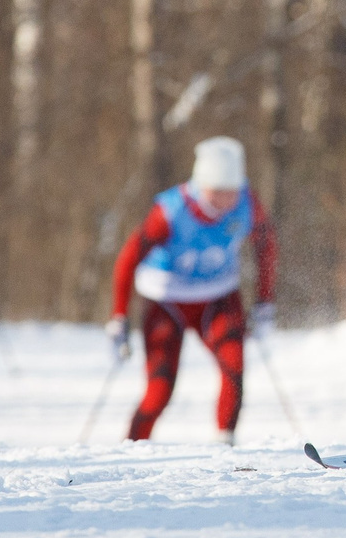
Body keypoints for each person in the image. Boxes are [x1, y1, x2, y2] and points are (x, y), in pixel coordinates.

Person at [106, 136, 278, 444]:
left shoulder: (247, 203)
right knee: (159, 390)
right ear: (200, 185)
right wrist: (119, 315)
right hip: (166, 300)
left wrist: (265, 303)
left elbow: (266, 247)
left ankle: (225, 445)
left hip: (218, 296)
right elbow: (128, 259)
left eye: (231, 192)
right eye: (216, 193)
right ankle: (131, 448)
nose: (225, 202)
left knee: (234, 368)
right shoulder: (170, 211)